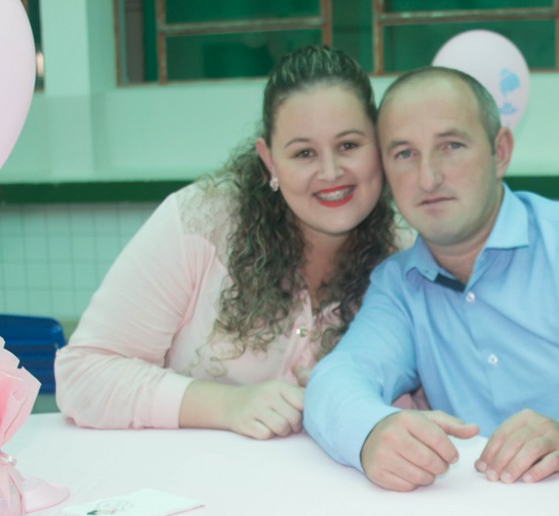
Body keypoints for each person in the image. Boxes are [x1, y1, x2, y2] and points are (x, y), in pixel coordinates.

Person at [303, 66, 559, 491]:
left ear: (500, 152)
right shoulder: (399, 285)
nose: (429, 178)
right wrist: (372, 431)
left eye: (451, 146)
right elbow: (336, 378)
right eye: (404, 154)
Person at [55, 45, 396, 440]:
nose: (331, 171)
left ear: (379, 145)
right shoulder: (201, 222)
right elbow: (83, 376)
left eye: (349, 145)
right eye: (304, 153)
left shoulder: (404, 255)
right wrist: (227, 405)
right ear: (269, 160)